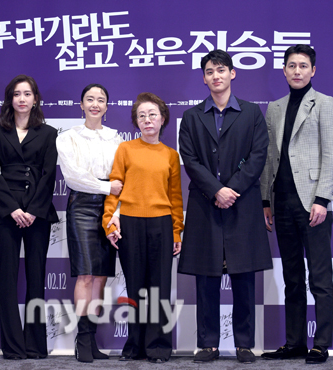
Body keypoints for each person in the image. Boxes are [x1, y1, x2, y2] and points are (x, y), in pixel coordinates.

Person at [177, 50, 272, 364]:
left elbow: (258, 156)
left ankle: (244, 343)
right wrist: (217, 190)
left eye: (221, 70)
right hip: (205, 204)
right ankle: (208, 344)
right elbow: (190, 161)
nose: (216, 75)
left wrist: (233, 189)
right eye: (209, 71)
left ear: (233, 73)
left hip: (242, 205)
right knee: (207, 279)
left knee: (244, 277)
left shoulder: (251, 113)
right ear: (203, 78)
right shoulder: (191, 117)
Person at [260, 45, 333, 364]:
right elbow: (269, 157)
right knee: (292, 277)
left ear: (313, 70)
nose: (297, 71)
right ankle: (294, 342)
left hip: (312, 204)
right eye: (291, 65)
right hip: (283, 204)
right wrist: (266, 199)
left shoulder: (325, 103)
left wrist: (322, 199)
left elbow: (331, 154)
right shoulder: (275, 108)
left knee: (320, 277)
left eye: (303, 65)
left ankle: (321, 343)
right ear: (283, 70)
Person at [103, 92, 184, 364]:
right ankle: (134, 345)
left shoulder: (171, 155)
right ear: (136, 122)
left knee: (159, 288)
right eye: (141, 116)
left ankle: (159, 347)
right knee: (136, 287)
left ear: (163, 119)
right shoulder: (125, 150)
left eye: (152, 115)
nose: (147, 120)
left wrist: (176, 231)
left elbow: (175, 197)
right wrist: (108, 222)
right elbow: (114, 189)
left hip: (161, 224)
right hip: (130, 224)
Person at [0, 75, 58, 360]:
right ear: (10, 100)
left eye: (27, 94)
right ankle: (13, 346)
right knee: (8, 280)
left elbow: (49, 175)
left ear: (36, 99)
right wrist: (13, 209)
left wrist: (31, 210)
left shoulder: (49, 133)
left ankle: (35, 345)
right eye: (17, 94)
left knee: (36, 278)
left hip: (38, 212)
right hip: (6, 213)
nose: (22, 99)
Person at [56, 83, 122, 363]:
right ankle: (81, 342)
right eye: (90, 99)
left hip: (110, 209)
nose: (95, 104)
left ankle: (91, 340)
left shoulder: (116, 138)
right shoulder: (68, 137)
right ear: (81, 104)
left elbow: (121, 175)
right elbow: (73, 178)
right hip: (82, 206)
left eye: (101, 100)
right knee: (86, 274)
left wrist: (116, 209)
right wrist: (108, 188)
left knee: (102, 276)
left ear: (107, 107)